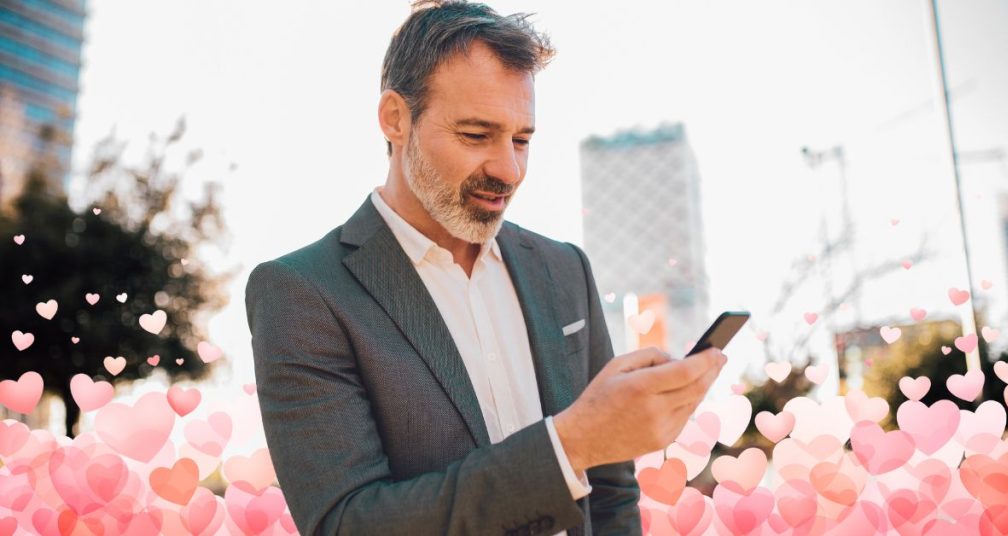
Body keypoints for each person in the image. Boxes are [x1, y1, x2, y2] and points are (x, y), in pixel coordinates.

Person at [244, 1, 727, 534]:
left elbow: (611, 491)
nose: (509, 169)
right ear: (395, 118)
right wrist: (570, 443)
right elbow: (347, 523)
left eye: (522, 140)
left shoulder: (564, 269)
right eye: (476, 135)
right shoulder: (302, 292)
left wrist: (602, 437)